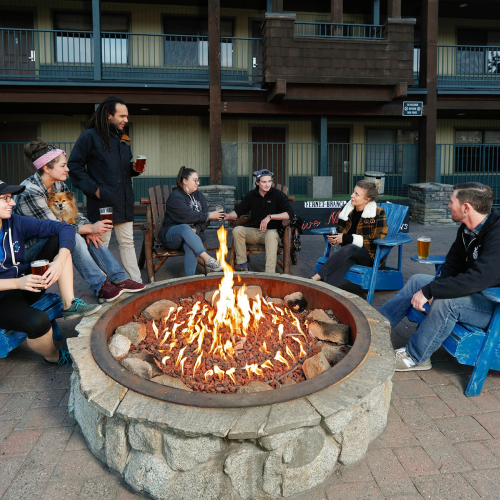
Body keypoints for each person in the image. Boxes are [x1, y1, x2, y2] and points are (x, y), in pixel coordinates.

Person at [379, 182, 500, 372]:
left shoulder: (497, 235)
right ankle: (377, 327)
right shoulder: (467, 230)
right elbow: (452, 266)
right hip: (476, 295)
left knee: (447, 302)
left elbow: (479, 279)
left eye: (451, 202)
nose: (448, 206)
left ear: (466, 207)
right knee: (418, 280)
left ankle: (415, 357)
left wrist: (432, 290)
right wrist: (433, 287)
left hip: (494, 307)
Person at [15, 141, 145, 303]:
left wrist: (89, 228)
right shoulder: (30, 192)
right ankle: (100, 286)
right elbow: (54, 227)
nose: (67, 169)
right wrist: (88, 228)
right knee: (74, 236)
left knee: (88, 233)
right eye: (63, 166)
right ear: (47, 169)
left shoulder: (58, 185)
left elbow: (73, 216)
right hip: (27, 249)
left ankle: (118, 278)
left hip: (52, 236)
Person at [0, 180, 101, 363]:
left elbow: (64, 227)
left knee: (58, 240)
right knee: (39, 322)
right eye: (5, 198)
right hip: (3, 299)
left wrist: (59, 260)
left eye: (10, 198)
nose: (12, 203)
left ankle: (69, 304)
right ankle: (53, 356)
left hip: (24, 286)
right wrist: (17, 282)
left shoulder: (13, 222)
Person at [67, 96, 143, 283]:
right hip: (103, 204)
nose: (126, 120)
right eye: (122, 116)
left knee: (127, 243)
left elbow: (121, 168)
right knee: (102, 244)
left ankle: (136, 281)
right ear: (109, 115)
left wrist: (133, 169)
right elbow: (74, 166)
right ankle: (104, 285)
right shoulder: (89, 136)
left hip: (124, 200)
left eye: (127, 116)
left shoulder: (123, 138)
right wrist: (95, 190)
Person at [310, 180, 388, 286]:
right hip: (349, 254)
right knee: (347, 260)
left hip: (371, 257)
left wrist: (349, 239)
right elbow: (341, 234)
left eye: (357, 194)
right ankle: (324, 288)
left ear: (367, 199)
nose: (352, 196)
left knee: (351, 248)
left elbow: (377, 242)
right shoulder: (347, 211)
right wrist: (335, 240)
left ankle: (314, 278)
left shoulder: (378, 213)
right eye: (353, 192)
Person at [225, 169, 294, 273]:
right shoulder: (251, 195)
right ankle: (243, 266)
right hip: (253, 232)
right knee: (237, 230)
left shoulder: (278, 195)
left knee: (271, 235)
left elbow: (290, 213)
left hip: (271, 232)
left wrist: (270, 217)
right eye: (264, 182)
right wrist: (227, 216)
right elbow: (238, 212)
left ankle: (269, 273)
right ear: (257, 183)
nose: (267, 184)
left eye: (269, 181)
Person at [158, 166, 224, 276]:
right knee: (185, 227)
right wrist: (208, 215)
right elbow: (187, 216)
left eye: (198, 180)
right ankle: (207, 259)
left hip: (191, 237)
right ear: (185, 181)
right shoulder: (175, 196)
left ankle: (190, 279)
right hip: (172, 236)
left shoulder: (199, 196)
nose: (198, 183)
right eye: (195, 180)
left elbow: (206, 221)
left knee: (191, 245)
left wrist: (196, 229)